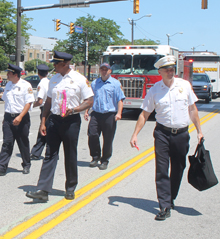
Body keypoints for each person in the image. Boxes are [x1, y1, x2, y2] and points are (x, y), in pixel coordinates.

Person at [130, 55, 203, 221]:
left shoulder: (184, 86)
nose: (171, 72)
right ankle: (164, 205)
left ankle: (170, 198)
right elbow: (145, 113)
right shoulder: (155, 90)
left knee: (178, 168)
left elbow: (193, 109)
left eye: (172, 69)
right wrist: (135, 134)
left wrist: (199, 130)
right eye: (167, 70)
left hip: (182, 134)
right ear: (160, 72)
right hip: (162, 133)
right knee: (162, 170)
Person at [26, 51, 94, 201]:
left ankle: (70, 187)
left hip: (71, 121)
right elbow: (48, 102)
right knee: (50, 154)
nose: (54, 66)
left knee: (70, 155)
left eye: (56, 63)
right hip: (54, 121)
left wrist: (75, 109)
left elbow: (89, 100)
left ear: (65, 64)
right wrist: (43, 122)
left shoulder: (79, 79)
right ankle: (43, 190)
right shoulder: (53, 79)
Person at [0, 63, 35, 176]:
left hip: (22, 118)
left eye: (9, 73)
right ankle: (1, 167)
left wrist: (20, 117)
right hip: (8, 118)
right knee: (7, 143)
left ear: (15, 74)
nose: (7, 75)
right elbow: (7, 102)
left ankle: (26, 164)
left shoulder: (26, 85)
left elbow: (29, 103)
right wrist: (5, 117)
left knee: (23, 142)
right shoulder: (9, 85)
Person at [84, 63, 125, 170]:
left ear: (110, 71)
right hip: (96, 114)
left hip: (109, 115)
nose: (104, 71)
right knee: (92, 135)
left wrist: (119, 113)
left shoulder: (115, 84)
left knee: (108, 139)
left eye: (106, 69)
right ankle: (95, 157)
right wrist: (86, 111)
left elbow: (120, 99)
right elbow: (90, 98)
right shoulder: (94, 83)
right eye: (102, 69)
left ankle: (105, 160)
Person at [30, 64, 51, 160]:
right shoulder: (50, 82)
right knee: (48, 131)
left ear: (38, 73)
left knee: (43, 130)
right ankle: (43, 152)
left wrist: (30, 105)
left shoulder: (41, 84)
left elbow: (40, 101)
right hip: (52, 109)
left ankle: (36, 153)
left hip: (45, 110)